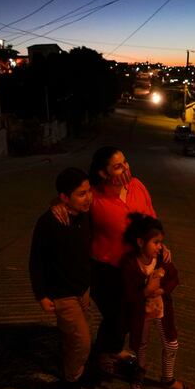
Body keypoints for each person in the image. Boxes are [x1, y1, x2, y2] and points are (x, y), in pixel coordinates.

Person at [53, 146, 160, 376]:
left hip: (137, 268)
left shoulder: (137, 186)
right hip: (106, 269)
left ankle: (113, 349)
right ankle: (102, 355)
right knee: (116, 316)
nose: (126, 168)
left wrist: (159, 244)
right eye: (118, 166)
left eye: (126, 162)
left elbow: (152, 218)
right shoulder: (94, 196)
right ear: (103, 173)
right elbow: (71, 203)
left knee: (131, 314)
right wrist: (57, 206)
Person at [29, 167, 94, 389]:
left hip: (82, 290)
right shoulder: (49, 222)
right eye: (81, 193)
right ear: (65, 197)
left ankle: (70, 369)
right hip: (62, 293)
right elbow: (36, 260)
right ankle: (71, 382)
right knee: (82, 341)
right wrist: (41, 295)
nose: (88, 198)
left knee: (71, 338)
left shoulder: (84, 215)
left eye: (88, 191)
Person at [121, 213, 192, 389]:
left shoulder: (161, 258)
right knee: (140, 344)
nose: (160, 247)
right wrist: (145, 291)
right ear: (140, 242)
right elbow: (129, 295)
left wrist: (162, 290)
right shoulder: (129, 264)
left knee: (171, 344)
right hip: (141, 312)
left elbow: (174, 278)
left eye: (161, 242)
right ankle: (140, 372)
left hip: (161, 308)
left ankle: (167, 379)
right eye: (156, 242)